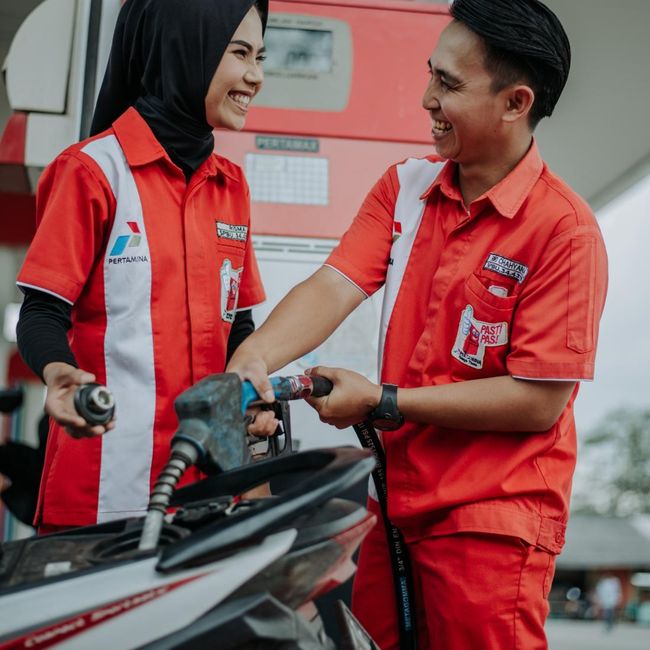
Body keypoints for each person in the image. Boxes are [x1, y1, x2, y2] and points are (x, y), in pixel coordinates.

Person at [227, 0, 608, 648]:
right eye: (431, 74)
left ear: (516, 103)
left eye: (449, 85)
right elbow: (333, 283)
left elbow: (539, 401)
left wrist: (383, 401)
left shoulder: (564, 232)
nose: (427, 98)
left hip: (492, 526)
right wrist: (252, 360)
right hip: (394, 507)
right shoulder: (405, 188)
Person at [15, 0, 276, 532]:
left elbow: (238, 330)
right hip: (104, 498)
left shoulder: (231, 185)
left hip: (208, 495)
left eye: (261, 56)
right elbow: (41, 313)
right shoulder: (91, 172)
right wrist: (60, 374)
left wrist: (252, 399)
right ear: (187, 50)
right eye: (240, 53)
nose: (256, 75)